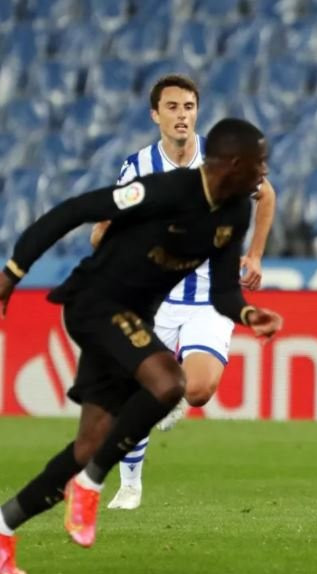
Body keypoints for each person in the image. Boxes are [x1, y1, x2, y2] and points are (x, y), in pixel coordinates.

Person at [0, 118, 283, 574]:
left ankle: (4, 528)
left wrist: (249, 315)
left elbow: (224, 294)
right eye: (259, 162)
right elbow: (73, 210)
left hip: (133, 318)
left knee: (89, 442)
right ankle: (91, 486)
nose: (265, 171)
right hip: (95, 303)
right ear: (233, 164)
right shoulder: (165, 191)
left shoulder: (235, 213)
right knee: (169, 382)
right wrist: (12, 272)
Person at [90, 74, 277, 512]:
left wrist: (255, 256)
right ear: (156, 114)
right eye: (172, 107)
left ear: (197, 112)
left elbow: (265, 195)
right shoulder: (138, 166)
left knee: (198, 390)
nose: (181, 115)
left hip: (208, 299)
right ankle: (130, 485)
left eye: (188, 107)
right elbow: (103, 229)